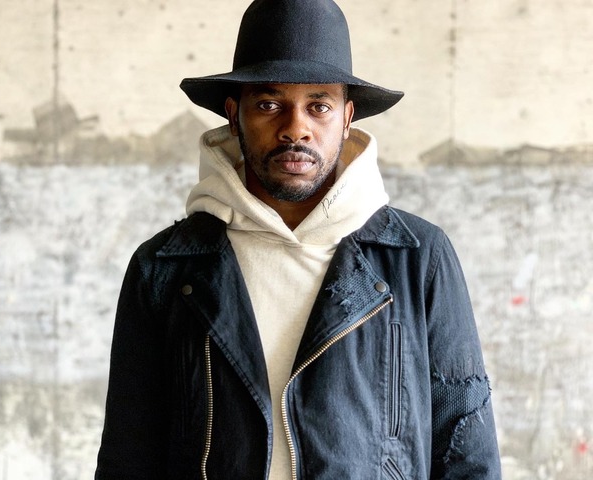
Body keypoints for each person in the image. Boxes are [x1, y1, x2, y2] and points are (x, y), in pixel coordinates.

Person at [95, 0, 501, 478]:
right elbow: (128, 456)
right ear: (234, 115)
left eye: (319, 106)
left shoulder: (417, 257)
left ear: (347, 118)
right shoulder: (165, 267)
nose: (295, 129)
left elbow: (465, 448)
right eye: (269, 105)